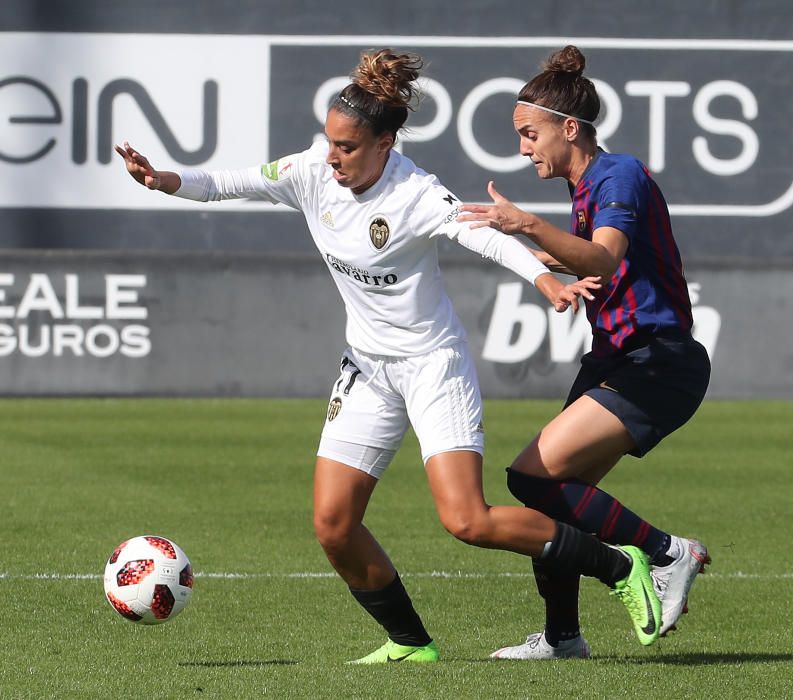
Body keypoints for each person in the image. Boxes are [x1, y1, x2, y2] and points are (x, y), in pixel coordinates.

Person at [116, 48, 663, 663]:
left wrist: (543, 280)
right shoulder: (308, 173)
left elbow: (482, 235)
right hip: (367, 370)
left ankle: (620, 565)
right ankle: (410, 643)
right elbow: (225, 182)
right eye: (329, 142)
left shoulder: (417, 193)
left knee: (468, 521)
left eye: (347, 147)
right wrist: (165, 180)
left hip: (432, 365)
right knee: (333, 525)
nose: (332, 156)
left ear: (385, 144)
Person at [457, 45, 711, 660]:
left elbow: (602, 257)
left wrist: (525, 227)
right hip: (617, 358)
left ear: (569, 128)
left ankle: (667, 552)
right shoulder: (585, 185)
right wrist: (497, 241)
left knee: (529, 476)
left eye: (529, 134)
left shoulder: (617, 172)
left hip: (657, 361)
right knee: (555, 498)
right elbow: (573, 257)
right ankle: (563, 638)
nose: (523, 149)